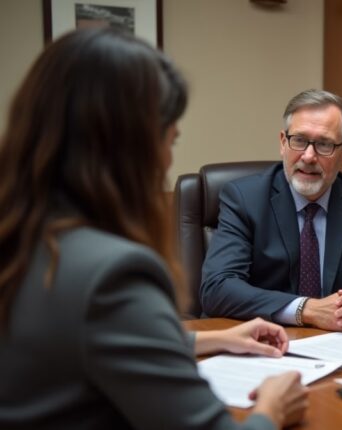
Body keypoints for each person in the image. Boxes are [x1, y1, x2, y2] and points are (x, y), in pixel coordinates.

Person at [0, 28, 307, 429]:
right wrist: (272, 407)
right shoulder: (113, 273)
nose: (166, 160)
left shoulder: (24, 240)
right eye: (170, 140)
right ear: (130, 147)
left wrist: (214, 339)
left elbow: (74, 339)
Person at [200, 89, 342, 332]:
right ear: (283, 143)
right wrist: (307, 309)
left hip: (336, 347)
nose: (308, 156)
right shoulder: (245, 198)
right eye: (299, 140)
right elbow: (217, 287)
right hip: (262, 340)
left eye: (324, 144)